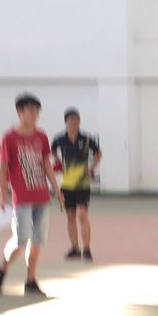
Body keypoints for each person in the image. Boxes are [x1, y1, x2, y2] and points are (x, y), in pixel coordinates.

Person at [0, 94, 61, 296]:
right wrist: (2, 194)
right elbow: (3, 168)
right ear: (19, 112)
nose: (35, 115)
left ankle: (30, 280)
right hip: (21, 197)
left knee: (37, 241)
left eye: (37, 111)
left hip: (42, 196)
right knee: (21, 239)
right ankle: (3, 267)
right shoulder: (9, 137)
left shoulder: (41, 136)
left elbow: (46, 163)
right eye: (31, 111)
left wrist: (56, 189)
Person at [53, 108, 101, 261]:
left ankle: (86, 249)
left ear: (79, 122)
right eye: (71, 120)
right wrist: (58, 161)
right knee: (70, 216)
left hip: (82, 184)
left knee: (82, 214)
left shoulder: (86, 139)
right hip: (66, 185)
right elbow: (51, 150)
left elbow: (98, 153)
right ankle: (74, 248)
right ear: (66, 122)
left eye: (76, 120)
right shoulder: (60, 139)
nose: (74, 122)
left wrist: (91, 167)